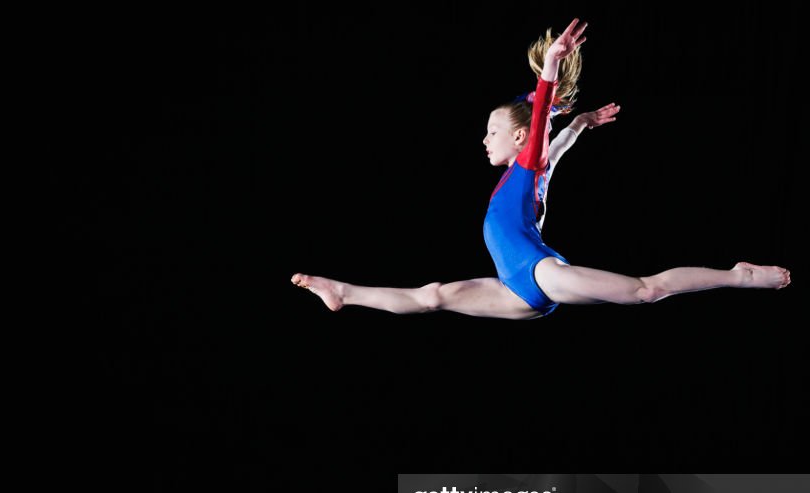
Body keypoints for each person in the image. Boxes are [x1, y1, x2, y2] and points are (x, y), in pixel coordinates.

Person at [291, 18, 790, 319]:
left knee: (646, 290)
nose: (483, 139)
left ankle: (738, 275)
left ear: (519, 138)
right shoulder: (528, 175)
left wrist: (551, 65)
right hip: (514, 288)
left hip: (540, 274)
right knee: (432, 298)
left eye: (491, 131)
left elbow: (545, 128)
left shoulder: (527, 167)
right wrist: (583, 124)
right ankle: (342, 292)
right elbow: (556, 149)